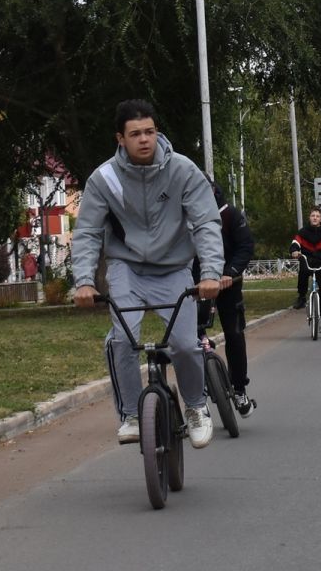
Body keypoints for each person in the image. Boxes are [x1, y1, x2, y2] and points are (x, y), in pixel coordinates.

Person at [70, 99, 224, 447]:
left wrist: (211, 273)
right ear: (120, 139)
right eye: (135, 133)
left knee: (185, 344)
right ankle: (130, 415)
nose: (144, 139)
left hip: (173, 269)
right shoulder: (104, 178)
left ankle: (197, 407)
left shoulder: (183, 170)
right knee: (122, 340)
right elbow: (88, 232)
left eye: (150, 132)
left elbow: (206, 223)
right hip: (127, 269)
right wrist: (82, 281)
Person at [195, 183, 257, 416]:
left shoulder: (230, 214)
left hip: (227, 283)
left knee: (234, 334)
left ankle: (239, 388)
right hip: (196, 285)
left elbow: (245, 246)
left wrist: (230, 272)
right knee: (191, 336)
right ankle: (198, 398)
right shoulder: (184, 215)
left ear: (212, 190)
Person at [290, 207, 321, 336]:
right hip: (308, 260)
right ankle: (301, 297)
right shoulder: (303, 232)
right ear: (309, 218)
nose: (315, 218)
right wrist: (295, 251)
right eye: (313, 215)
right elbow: (295, 242)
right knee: (303, 273)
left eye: (317, 216)